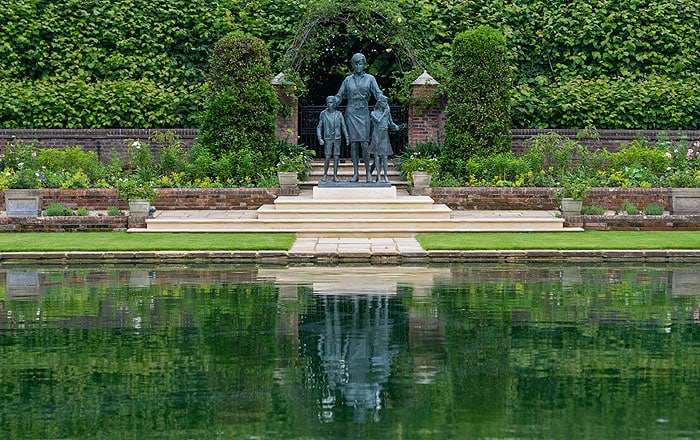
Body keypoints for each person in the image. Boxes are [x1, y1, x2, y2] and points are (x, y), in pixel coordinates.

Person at [334, 53, 384, 182]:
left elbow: (377, 93)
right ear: (352, 65)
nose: (358, 66)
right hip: (351, 113)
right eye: (355, 63)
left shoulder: (370, 79)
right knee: (354, 145)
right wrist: (334, 100)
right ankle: (355, 174)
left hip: (363, 113)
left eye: (360, 63)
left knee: (364, 144)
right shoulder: (347, 80)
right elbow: (340, 95)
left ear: (364, 64)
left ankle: (368, 173)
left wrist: (382, 99)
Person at [368, 95, 403, 183]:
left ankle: (385, 176)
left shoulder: (387, 113)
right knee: (377, 157)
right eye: (384, 102)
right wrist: (385, 113)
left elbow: (391, 123)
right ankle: (378, 176)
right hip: (376, 136)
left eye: (386, 102)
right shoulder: (373, 113)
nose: (386, 104)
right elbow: (378, 120)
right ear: (380, 103)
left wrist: (398, 127)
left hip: (384, 136)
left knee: (385, 157)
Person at [316, 96, 349, 182]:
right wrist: (320, 138)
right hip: (328, 138)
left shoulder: (339, 114)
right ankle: (325, 175)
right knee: (327, 157)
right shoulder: (323, 114)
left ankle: (335, 175)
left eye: (331, 102)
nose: (329, 104)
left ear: (335, 104)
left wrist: (347, 138)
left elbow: (343, 126)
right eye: (328, 102)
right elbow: (319, 127)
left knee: (336, 157)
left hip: (337, 138)